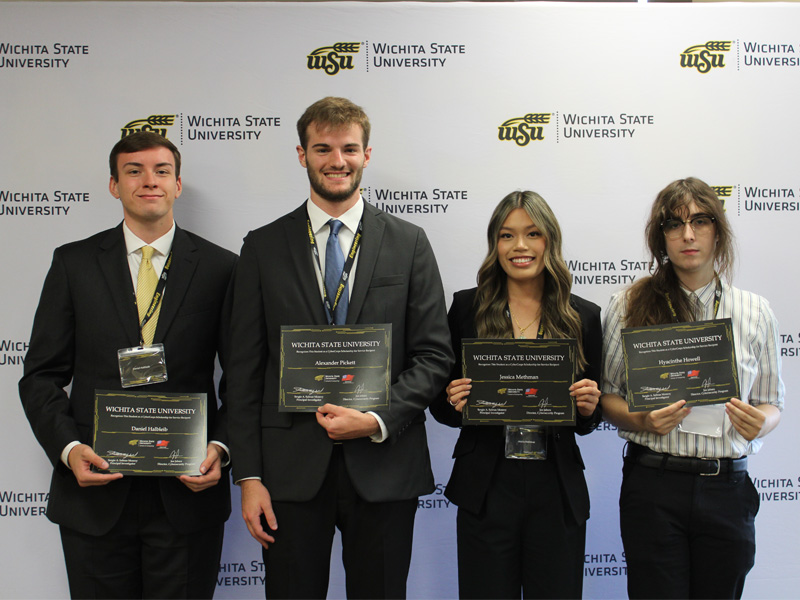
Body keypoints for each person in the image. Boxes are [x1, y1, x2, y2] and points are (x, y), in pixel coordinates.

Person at [226, 96, 453, 599]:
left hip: (385, 465)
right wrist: (249, 477)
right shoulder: (262, 248)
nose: (337, 161)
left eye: (349, 148)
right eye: (322, 148)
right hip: (287, 473)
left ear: (367, 155)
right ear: (302, 154)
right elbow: (242, 371)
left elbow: (435, 356)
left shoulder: (409, 242)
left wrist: (375, 419)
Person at [18, 132, 236, 599]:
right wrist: (69, 449)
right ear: (114, 186)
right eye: (133, 171)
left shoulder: (222, 267)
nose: (148, 181)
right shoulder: (73, 263)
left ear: (178, 184)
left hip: (186, 492)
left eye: (161, 171)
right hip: (94, 493)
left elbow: (243, 378)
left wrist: (222, 447)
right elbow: (41, 376)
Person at [600, 177, 784, 599]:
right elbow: (608, 395)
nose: (687, 234)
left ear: (717, 231)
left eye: (700, 221)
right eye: (674, 224)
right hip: (654, 484)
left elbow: (772, 402)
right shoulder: (627, 304)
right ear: (659, 236)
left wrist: (762, 422)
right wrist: (639, 418)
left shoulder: (755, 311)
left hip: (727, 489)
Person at [430, 190, 603, 599]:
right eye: (507, 236)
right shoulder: (466, 309)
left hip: (555, 486)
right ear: (495, 244)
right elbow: (439, 405)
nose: (520, 246)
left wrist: (588, 407)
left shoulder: (584, 316)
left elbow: (589, 421)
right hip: (487, 485)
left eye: (533, 234)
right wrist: (454, 401)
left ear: (550, 241)